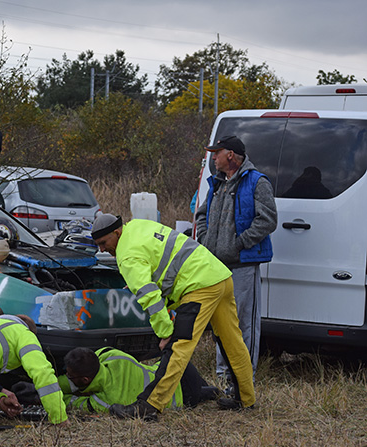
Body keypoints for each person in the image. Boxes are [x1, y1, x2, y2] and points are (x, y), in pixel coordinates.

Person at [90, 214, 256, 421]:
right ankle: (246, 399)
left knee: (178, 347)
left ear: (117, 232)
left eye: (104, 243)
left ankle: (149, 405)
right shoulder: (138, 225)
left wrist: (165, 331)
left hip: (198, 286)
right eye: (98, 245)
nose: (102, 250)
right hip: (219, 277)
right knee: (232, 343)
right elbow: (158, 259)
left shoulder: (126, 255)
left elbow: (150, 298)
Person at [195, 135, 277, 381]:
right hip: (217, 266)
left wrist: (239, 243)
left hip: (243, 264)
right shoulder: (217, 183)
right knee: (222, 322)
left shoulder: (256, 182)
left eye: (216, 153)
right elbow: (201, 213)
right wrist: (206, 239)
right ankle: (223, 375)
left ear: (230, 155)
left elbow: (268, 220)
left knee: (243, 323)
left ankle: (242, 377)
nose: (213, 158)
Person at [54, 347, 219, 414]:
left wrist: (50, 390)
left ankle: (211, 392)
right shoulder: (111, 355)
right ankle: (213, 391)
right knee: (207, 390)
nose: (67, 377)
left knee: (202, 394)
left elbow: (72, 402)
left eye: (70, 376)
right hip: (178, 369)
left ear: (85, 379)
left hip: (185, 395)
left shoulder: (107, 400)